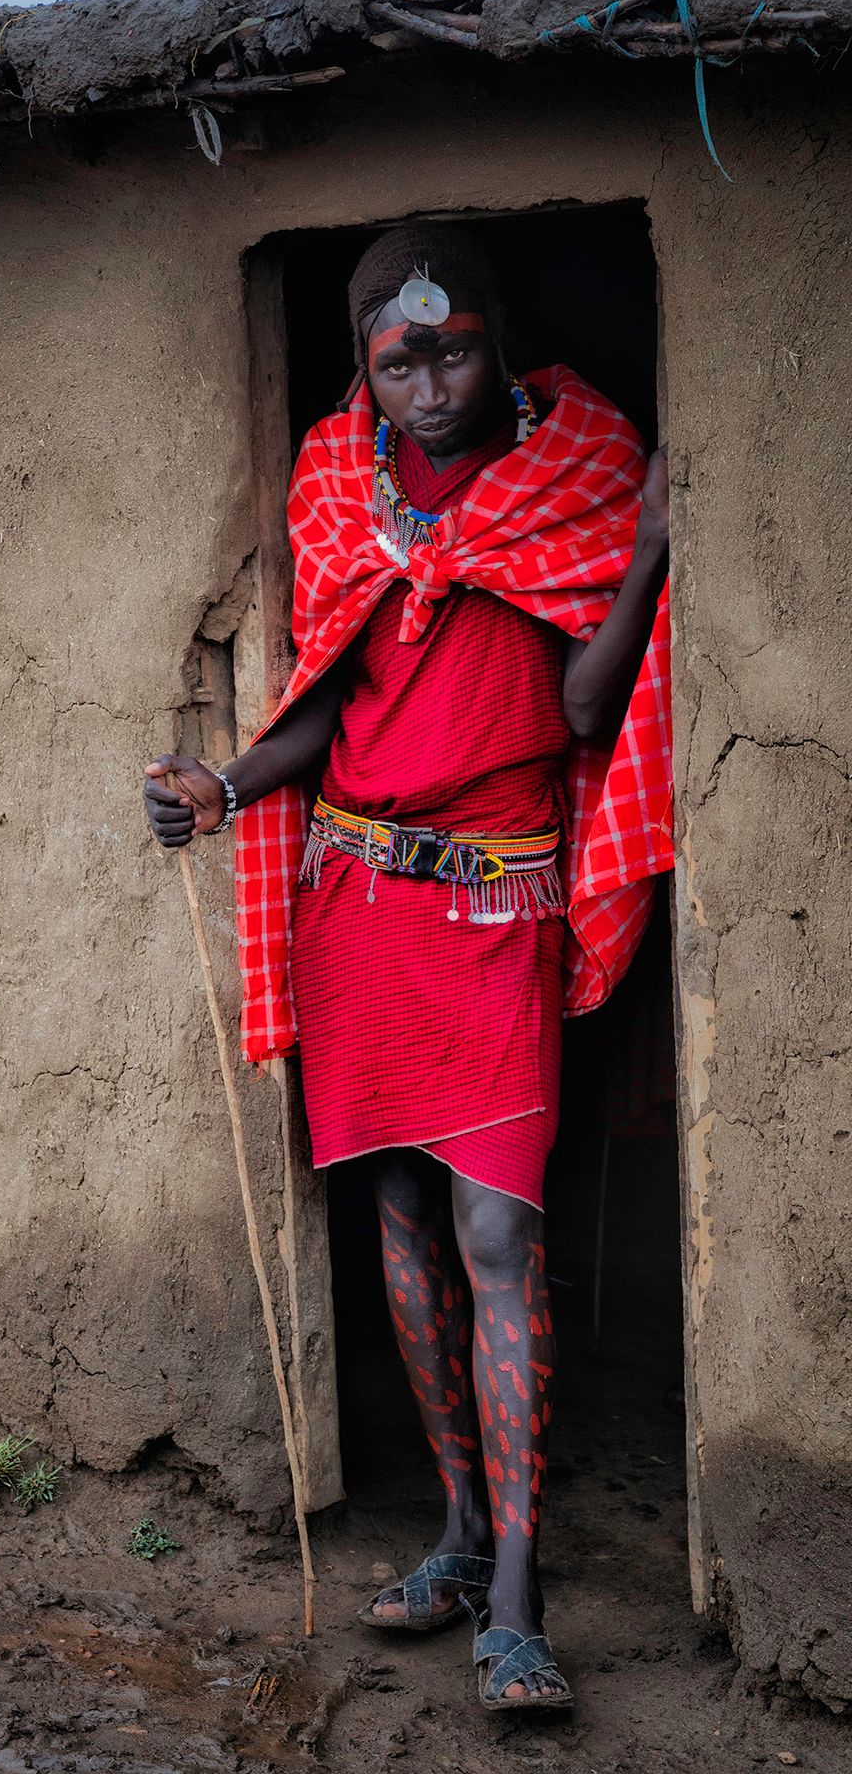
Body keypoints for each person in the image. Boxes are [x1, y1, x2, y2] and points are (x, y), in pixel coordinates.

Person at [142, 224, 672, 1711]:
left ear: (496, 341)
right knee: (393, 1215)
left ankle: (519, 1593)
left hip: (500, 906)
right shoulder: (337, 493)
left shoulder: (574, 480)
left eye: (451, 349)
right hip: (359, 902)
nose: (429, 383)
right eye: (398, 360)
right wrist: (224, 786)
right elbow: (328, 700)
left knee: (497, 1234)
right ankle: (453, 1533)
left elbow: (577, 710)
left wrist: (638, 565)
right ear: (365, 375)